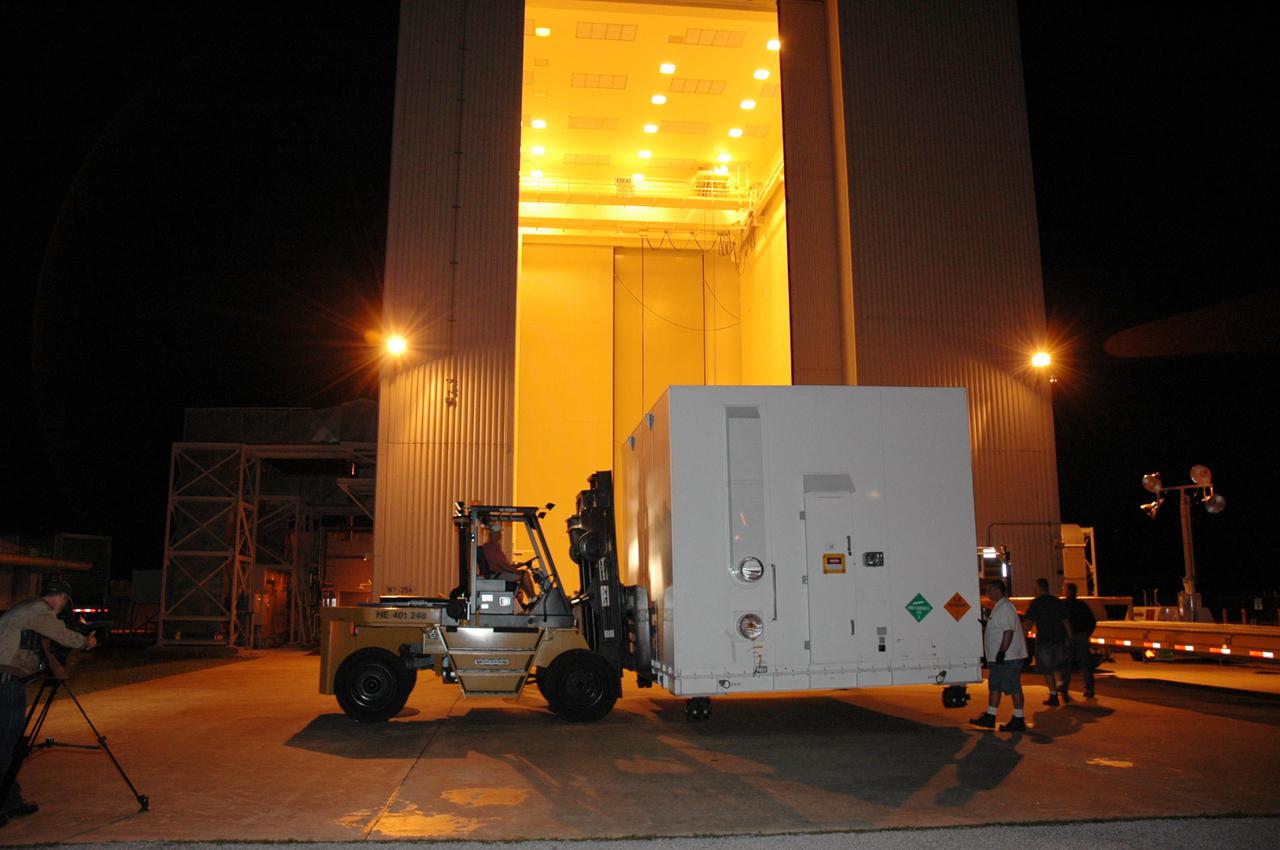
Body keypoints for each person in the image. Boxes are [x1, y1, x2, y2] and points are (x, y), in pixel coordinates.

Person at [0, 578, 97, 825]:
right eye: (65, 602)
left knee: (9, 746)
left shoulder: (25, 609)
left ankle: (11, 801)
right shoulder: (38, 611)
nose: (63, 608)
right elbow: (62, 635)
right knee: (6, 747)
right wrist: (86, 642)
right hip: (7, 684)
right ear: (61, 597)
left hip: (9, 682)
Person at [971, 578, 1029, 732]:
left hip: (1008, 657)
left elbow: (1008, 631)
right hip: (999, 658)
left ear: (998, 590)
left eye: (990, 590)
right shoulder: (999, 607)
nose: (987, 593)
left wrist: (1002, 651)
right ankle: (990, 716)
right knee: (995, 685)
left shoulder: (1006, 607)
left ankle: (1018, 718)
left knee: (1013, 687)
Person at [1022, 577, 1073, 705]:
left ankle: (1053, 694)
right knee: (1058, 664)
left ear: (1040, 588)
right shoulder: (1057, 602)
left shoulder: (1036, 603)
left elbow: (1028, 622)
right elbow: (1066, 621)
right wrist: (1070, 637)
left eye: (1035, 588)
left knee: (1047, 668)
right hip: (1059, 638)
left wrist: (1023, 637)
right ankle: (1060, 684)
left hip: (1044, 639)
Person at [479, 522, 537, 606]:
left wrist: (519, 565)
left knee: (522, 574)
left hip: (499, 572)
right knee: (524, 574)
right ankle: (534, 598)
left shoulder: (494, 546)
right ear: (495, 534)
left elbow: (504, 564)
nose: (501, 535)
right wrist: (514, 571)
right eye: (499, 533)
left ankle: (531, 600)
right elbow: (500, 565)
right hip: (497, 574)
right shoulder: (491, 547)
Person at [1062, 582, 1098, 699]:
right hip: (1082, 636)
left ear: (1067, 591)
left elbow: (1060, 621)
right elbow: (1092, 621)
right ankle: (1089, 689)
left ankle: (1064, 689)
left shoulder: (1063, 605)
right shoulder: (1082, 605)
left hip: (1068, 638)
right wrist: (1087, 633)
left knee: (1066, 665)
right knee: (1085, 664)